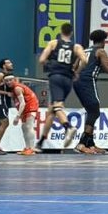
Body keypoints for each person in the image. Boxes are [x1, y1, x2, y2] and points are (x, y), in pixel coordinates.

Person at [72, 29, 108, 155]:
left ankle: (90, 144)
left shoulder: (85, 50)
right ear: (103, 41)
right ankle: (81, 143)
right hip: (87, 80)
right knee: (95, 110)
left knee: (92, 110)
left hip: (77, 81)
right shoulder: (100, 51)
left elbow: (74, 67)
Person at [36, 23, 84, 151]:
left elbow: (41, 59)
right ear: (72, 33)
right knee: (51, 110)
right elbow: (84, 60)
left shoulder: (53, 43)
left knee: (57, 106)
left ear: (60, 31)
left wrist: (51, 64)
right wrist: (77, 70)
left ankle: (68, 127)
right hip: (68, 79)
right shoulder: (76, 47)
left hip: (56, 76)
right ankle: (40, 143)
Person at [4, 74, 39, 156]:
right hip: (24, 109)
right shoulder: (12, 90)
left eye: (10, 80)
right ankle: (27, 148)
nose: (8, 82)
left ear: (14, 80)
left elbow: (22, 103)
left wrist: (17, 116)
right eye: (6, 81)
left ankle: (32, 149)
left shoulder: (17, 88)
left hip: (30, 106)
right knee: (23, 127)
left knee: (29, 126)